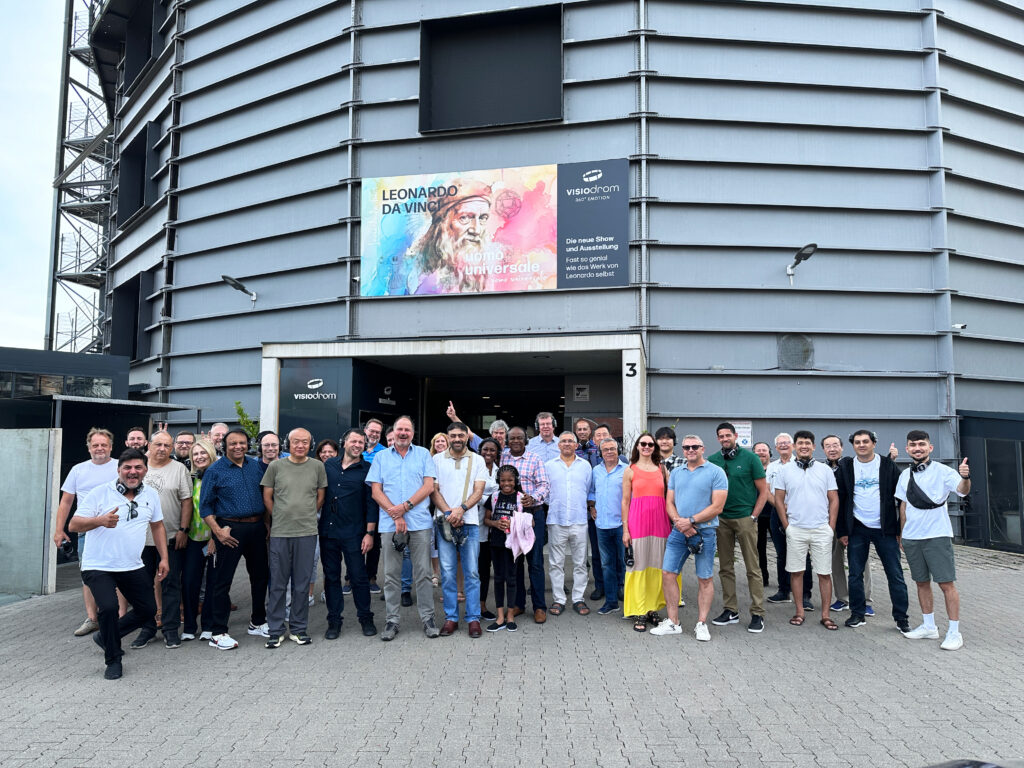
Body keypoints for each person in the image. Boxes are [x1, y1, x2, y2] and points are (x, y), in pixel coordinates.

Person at [71, 449, 168, 680]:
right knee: (108, 608)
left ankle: (105, 637)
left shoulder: (151, 495)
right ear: (119, 471)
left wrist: (164, 558)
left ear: (145, 470)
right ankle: (113, 659)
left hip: (131, 565)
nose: (132, 472)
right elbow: (74, 524)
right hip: (98, 565)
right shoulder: (99, 493)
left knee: (148, 610)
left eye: (138, 468)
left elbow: (157, 526)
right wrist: (99, 521)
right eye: (127, 468)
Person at [366, 415, 439, 640]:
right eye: (400, 429)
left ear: (413, 433)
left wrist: (404, 507)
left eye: (407, 429)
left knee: (424, 573)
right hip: (390, 524)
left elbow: (428, 486)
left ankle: (428, 618)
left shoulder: (424, 454)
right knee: (390, 574)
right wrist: (395, 513)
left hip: (418, 523)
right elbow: (376, 491)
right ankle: (392, 621)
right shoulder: (380, 457)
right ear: (393, 432)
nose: (403, 433)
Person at [896, 430, 970, 650]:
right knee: (920, 582)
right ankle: (929, 626)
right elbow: (903, 506)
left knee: (946, 583)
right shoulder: (904, 475)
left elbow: (962, 491)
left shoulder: (943, 471)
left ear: (930, 448)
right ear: (907, 449)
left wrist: (965, 477)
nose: (917, 448)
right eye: (913, 445)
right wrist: (902, 534)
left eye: (921, 444)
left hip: (937, 535)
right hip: (912, 537)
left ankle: (954, 632)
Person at [650, 435, 728, 640]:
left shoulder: (716, 472)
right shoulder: (677, 472)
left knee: (705, 578)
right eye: (686, 447)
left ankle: (701, 623)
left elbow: (717, 506)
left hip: (705, 532)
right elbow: (669, 502)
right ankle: (673, 622)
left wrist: (691, 521)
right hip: (678, 531)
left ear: (702, 448)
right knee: (668, 573)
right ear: (682, 450)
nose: (690, 450)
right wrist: (680, 523)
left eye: (694, 447)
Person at [199, 428, 271, 650]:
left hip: (257, 527)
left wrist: (266, 525)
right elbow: (205, 506)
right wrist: (218, 531)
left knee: (260, 577)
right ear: (224, 446)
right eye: (233, 444)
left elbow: (266, 495)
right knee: (222, 581)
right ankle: (218, 632)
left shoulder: (256, 466)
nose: (238, 447)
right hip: (229, 530)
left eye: (242, 443)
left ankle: (257, 621)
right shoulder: (215, 470)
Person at [835, 429, 909, 633]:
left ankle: (901, 618)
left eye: (865, 441)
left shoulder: (887, 465)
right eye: (857, 442)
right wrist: (842, 530)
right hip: (857, 528)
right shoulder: (846, 466)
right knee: (855, 574)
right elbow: (840, 499)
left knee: (895, 574)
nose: (861, 445)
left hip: (884, 528)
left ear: (874, 443)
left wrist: (900, 529)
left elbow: (901, 497)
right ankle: (857, 614)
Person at [262, 428, 327, 648]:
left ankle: (299, 629)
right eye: (296, 441)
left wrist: (307, 514)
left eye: (305, 442)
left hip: (307, 532)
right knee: (279, 584)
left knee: (301, 583)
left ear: (310, 443)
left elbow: (320, 496)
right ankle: (276, 629)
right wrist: (279, 516)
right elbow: (267, 496)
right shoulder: (275, 466)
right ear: (287, 443)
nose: (300, 445)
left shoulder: (317, 466)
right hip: (281, 532)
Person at [54, 427, 119, 637]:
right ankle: (92, 619)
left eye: (104, 445)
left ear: (110, 446)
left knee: (119, 572)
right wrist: (59, 530)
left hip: (116, 530)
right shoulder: (78, 470)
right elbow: (66, 502)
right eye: (95, 445)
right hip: (86, 531)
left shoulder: (120, 467)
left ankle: (118, 616)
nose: (99, 448)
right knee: (88, 575)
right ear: (89, 447)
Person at [773, 431, 839, 630]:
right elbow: (778, 498)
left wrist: (831, 527)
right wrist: (787, 526)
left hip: (821, 529)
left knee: (824, 573)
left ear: (813, 447)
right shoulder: (784, 471)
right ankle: (799, 611)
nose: (804, 446)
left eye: (807, 443)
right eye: (800, 443)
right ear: (794, 446)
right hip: (796, 529)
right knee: (796, 572)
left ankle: (826, 615)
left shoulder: (825, 470)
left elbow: (833, 499)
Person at [707, 422, 769, 633]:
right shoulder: (714, 460)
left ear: (735, 435)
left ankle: (758, 612)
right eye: (721, 436)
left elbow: (763, 490)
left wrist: (754, 515)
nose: (725, 439)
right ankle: (730, 609)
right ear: (717, 439)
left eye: (728, 435)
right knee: (725, 566)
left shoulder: (750, 458)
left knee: (753, 567)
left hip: (744, 518)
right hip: (722, 519)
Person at [432, 422, 488, 638]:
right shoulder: (436, 460)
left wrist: (461, 509)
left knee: (472, 572)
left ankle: (473, 618)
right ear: (447, 437)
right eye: (453, 435)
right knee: (447, 573)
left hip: (470, 522)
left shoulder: (478, 459)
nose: (457, 439)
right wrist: (449, 513)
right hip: (444, 522)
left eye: (460, 435)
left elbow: (479, 489)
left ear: (467, 437)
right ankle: (451, 618)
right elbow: (433, 490)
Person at [140, 430, 193, 649]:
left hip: (171, 537)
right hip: (140, 540)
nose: (162, 449)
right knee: (143, 587)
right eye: (158, 444)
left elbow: (187, 501)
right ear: (149, 445)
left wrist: (183, 529)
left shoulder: (179, 469)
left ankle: (171, 630)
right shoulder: (137, 467)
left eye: (167, 446)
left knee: (171, 584)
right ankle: (147, 628)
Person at [322, 429, 378, 639]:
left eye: (361, 442)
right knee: (331, 578)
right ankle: (334, 621)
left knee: (359, 577)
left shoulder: (367, 469)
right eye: (354, 441)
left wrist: (369, 533)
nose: (357, 445)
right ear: (344, 443)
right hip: (328, 531)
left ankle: (366, 619)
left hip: (354, 533)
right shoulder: (329, 466)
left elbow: (371, 504)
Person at [403, 178, 496, 294]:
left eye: (483, 218)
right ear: (443, 224)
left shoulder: (493, 270)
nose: (476, 230)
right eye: (465, 218)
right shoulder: (412, 268)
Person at [622, 432, 671, 632]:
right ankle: (638, 610)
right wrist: (625, 529)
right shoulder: (630, 470)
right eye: (643, 443)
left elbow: (669, 497)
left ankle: (652, 608)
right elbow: (625, 501)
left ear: (655, 447)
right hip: (638, 524)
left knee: (656, 567)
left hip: (660, 524)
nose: (647, 446)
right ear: (637, 446)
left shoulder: (662, 469)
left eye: (651, 444)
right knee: (638, 568)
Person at [822, 434, 873, 615]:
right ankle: (842, 598)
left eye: (835, 445)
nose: (832, 449)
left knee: (860, 560)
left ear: (842, 447)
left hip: (854, 520)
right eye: (828, 446)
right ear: (823, 450)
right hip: (832, 521)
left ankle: (865, 600)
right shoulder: (821, 469)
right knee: (835, 561)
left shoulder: (853, 465)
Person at [544, 432, 593, 617]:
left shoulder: (585, 466)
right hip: (556, 520)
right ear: (558, 445)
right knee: (556, 563)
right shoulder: (549, 466)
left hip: (579, 520)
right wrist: (555, 503)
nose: (566, 444)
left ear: (575, 445)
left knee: (580, 562)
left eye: (570, 441)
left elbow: (587, 490)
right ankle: (559, 599)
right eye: (563, 441)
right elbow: (545, 492)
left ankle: (578, 598)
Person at [504, 427, 550, 623]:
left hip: (533, 515)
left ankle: (539, 607)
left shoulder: (535, 459)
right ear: (507, 440)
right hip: (511, 516)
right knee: (514, 563)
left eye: (519, 438)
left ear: (526, 440)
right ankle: (518, 605)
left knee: (536, 563)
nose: (516, 441)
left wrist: (534, 497)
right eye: (512, 438)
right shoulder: (503, 459)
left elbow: (545, 485)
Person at [766, 433, 812, 607]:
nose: (783, 445)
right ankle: (784, 590)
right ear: (776, 447)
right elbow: (767, 491)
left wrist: (790, 506)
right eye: (780, 444)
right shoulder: (772, 466)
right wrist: (779, 507)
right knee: (781, 554)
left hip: (798, 513)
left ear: (792, 445)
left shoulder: (800, 464)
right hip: (777, 514)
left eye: (786, 442)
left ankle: (806, 595)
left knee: (803, 554)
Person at [485, 465, 531, 632]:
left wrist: (514, 523)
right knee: (498, 578)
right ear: (498, 481)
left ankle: (511, 615)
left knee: (512, 578)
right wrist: (495, 523)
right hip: (496, 542)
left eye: (510, 480)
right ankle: (500, 617)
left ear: (516, 481)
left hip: (514, 544)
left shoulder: (521, 498)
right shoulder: (494, 497)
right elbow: (486, 520)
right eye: (503, 480)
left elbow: (530, 521)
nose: (506, 483)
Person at [182, 438, 217, 642]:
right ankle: (189, 626)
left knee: (213, 583)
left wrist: (215, 537)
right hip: (194, 538)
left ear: (211, 454)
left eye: (203, 453)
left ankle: (209, 626)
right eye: (195, 454)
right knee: (189, 582)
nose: (199, 457)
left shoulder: (218, 476)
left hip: (214, 538)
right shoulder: (191, 478)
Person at [588, 437, 627, 615]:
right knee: (607, 565)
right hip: (602, 525)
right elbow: (591, 490)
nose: (609, 452)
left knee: (624, 562)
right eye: (606, 450)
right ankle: (611, 602)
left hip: (621, 524)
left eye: (612, 449)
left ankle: (630, 601)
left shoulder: (627, 470)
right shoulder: (596, 470)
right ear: (600, 452)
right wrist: (591, 505)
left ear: (618, 450)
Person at [476, 437, 502, 621]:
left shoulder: (500, 472)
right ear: (480, 450)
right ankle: (475, 605)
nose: (488, 453)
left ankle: (483, 605)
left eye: (492, 450)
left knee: (486, 569)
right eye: (485, 449)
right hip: (476, 524)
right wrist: (491, 500)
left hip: (494, 527)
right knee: (476, 568)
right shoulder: (475, 468)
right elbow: (473, 493)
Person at [752, 442, 774, 588]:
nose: (761, 453)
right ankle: (763, 578)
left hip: (775, 513)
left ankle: (787, 581)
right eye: (758, 451)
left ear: (769, 453)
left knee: (782, 548)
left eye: (764, 450)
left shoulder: (776, 468)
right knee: (759, 549)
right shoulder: (751, 470)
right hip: (758, 514)